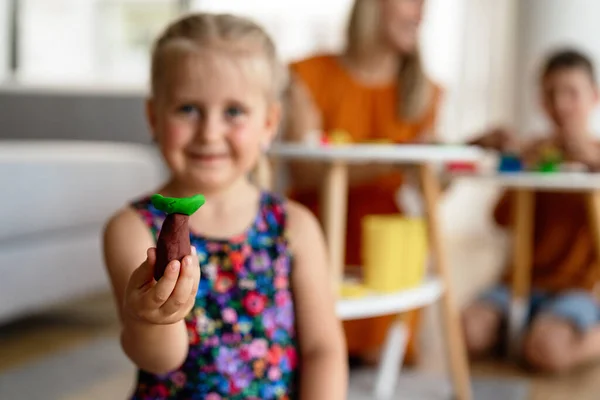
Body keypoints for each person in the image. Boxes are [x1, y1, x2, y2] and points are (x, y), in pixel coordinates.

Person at [102, 13, 347, 399]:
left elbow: (323, 350)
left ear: (268, 123)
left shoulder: (294, 226)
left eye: (234, 112)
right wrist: (153, 317)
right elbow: (160, 360)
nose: (210, 132)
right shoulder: (133, 229)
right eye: (188, 109)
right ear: (154, 116)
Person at [283, 0, 508, 364]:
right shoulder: (308, 74)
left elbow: (427, 190)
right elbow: (305, 171)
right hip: (314, 224)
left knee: (379, 353)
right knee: (315, 346)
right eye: (411, 1)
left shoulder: (425, 90)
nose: (422, 12)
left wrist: (458, 155)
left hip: (384, 235)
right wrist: (399, 153)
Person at [463, 49, 600, 373]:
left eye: (571, 93)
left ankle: (554, 333)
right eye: (551, 93)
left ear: (594, 97)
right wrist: (517, 168)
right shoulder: (535, 152)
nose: (561, 105)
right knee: (466, 332)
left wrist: (591, 164)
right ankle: (523, 328)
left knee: (547, 352)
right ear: (541, 101)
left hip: (577, 288)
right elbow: (500, 218)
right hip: (520, 282)